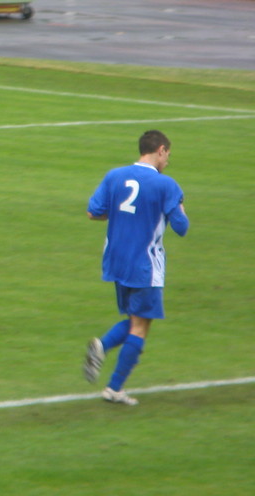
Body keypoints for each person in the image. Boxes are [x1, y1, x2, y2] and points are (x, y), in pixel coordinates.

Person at [82, 129, 189, 406]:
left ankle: (102, 350)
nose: (167, 161)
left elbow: (93, 212)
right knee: (141, 326)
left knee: (134, 319)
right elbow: (182, 227)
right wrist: (179, 207)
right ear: (161, 150)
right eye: (168, 155)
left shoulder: (115, 175)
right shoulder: (167, 185)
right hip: (144, 264)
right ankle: (113, 386)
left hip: (117, 259)